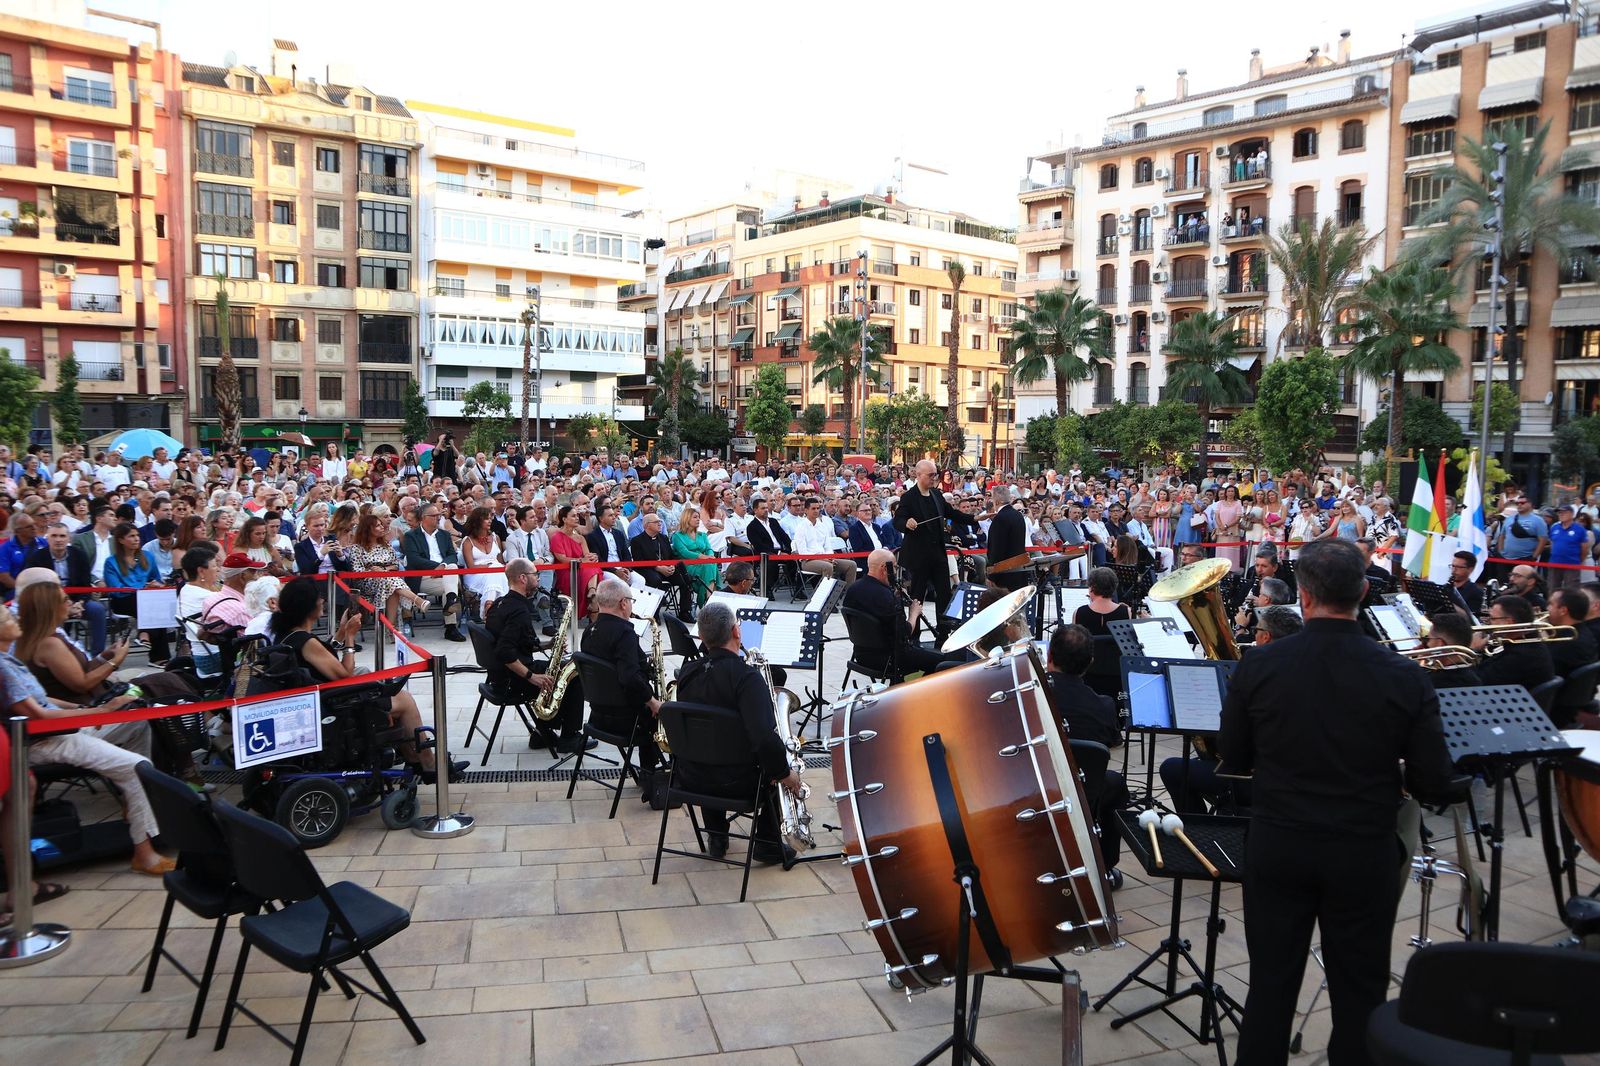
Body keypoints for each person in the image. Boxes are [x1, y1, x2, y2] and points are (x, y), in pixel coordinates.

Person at [1218, 539, 1457, 1066]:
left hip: (1280, 842)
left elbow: (1233, 756)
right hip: (1361, 846)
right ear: (1364, 592)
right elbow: (1434, 782)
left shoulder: (1259, 666)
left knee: (1271, 985)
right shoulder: (1405, 675)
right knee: (1359, 990)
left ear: (1301, 596)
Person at [0, 601, 172, 874]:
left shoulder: (10, 657)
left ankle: (136, 805)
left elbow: (42, 700)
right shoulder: (8, 664)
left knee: (137, 721)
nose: (16, 620)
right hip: (46, 740)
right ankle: (144, 851)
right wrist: (99, 710)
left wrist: (84, 710)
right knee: (134, 765)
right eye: (9, 618)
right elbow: (37, 715)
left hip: (61, 728)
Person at [269, 577, 464, 783]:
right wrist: (351, 638)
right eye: (319, 598)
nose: (323, 601)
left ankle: (416, 759)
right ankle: (429, 764)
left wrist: (342, 631)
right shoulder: (306, 641)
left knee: (388, 692)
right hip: (334, 705)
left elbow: (323, 659)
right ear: (308, 606)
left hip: (319, 700)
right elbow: (343, 674)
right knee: (404, 700)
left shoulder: (288, 636)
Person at [671, 601, 803, 863]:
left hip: (690, 777)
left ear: (701, 637)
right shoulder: (747, 678)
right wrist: (786, 775)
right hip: (738, 785)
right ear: (736, 632)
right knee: (780, 756)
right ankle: (766, 842)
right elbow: (764, 740)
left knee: (707, 747)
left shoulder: (687, 673)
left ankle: (716, 835)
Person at [1045, 622, 1127, 889]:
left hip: (1035, 787)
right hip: (1081, 793)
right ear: (1089, 663)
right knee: (1114, 784)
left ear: (1049, 656)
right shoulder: (1104, 706)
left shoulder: (1029, 696)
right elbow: (1113, 742)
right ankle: (1104, 865)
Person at [484, 559, 591, 754]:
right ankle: (569, 737)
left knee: (561, 669)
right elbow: (505, 652)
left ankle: (542, 733)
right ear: (523, 578)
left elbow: (513, 645)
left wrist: (547, 644)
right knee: (574, 676)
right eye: (535, 575)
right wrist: (532, 677)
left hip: (498, 676)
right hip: (514, 679)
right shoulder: (518, 611)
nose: (539, 578)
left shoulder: (501, 603)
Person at [580, 577, 663, 781]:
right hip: (628, 720)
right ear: (623, 603)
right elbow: (629, 678)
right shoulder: (625, 633)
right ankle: (652, 776)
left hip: (598, 716)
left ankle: (650, 773)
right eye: (631, 601)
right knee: (668, 715)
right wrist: (653, 703)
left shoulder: (589, 631)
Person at [840, 548, 963, 680]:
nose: (895, 572)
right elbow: (904, 633)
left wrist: (894, 598)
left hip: (862, 654)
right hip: (891, 658)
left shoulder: (854, 589)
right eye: (893, 567)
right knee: (945, 664)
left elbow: (876, 611)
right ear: (884, 568)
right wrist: (913, 614)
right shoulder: (884, 596)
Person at [893, 460, 978, 634]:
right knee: (917, 595)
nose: (934, 478)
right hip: (918, 555)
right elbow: (898, 520)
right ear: (918, 475)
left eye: (935, 475)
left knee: (944, 593)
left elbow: (952, 513)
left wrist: (975, 519)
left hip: (938, 553)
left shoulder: (937, 495)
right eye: (930, 475)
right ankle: (913, 633)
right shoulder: (909, 497)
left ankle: (943, 632)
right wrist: (907, 523)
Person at [103, 521, 170, 665]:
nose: (136, 539)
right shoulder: (111, 562)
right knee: (147, 602)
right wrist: (142, 587)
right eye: (131, 536)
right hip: (123, 600)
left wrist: (155, 584)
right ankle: (158, 655)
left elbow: (156, 578)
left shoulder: (147, 556)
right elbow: (116, 588)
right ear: (121, 540)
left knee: (156, 604)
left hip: (146, 599)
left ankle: (146, 635)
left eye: (137, 535)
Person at [349, 510, 431, 630]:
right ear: (368, 529)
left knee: (391, 586)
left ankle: (390, 628)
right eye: (378, 525)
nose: (382, 527)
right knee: (390, 581)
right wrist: (372, 572)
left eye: (381, 525)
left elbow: (395, 565)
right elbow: (356, 571)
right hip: (366, 582)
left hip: (386, 579)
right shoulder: (357, 548)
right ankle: (416, 600)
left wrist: (383, 569)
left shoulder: (386, 545)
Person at [400, 504, 464, 641]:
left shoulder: (444, 535)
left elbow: (452, 555)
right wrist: (438, 568)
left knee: (451, 571)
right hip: (422, 577)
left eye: (439, 515)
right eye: (434, 515)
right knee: (451, 578)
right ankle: (451, 622)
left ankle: (451, 620)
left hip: (444, 575)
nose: (438, 518)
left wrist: (443, 567)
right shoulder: (411, 536)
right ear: (424, 518)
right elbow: (413, 559)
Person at [792, 497, 857, 586]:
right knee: (828, 567)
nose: (816, 511)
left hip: (826, 558)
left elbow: (828, 546)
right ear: (806, 510)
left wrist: (830, 557)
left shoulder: (822, 526)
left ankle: (849, 594)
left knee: (851, 565)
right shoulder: (801, 527)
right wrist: (823, 559)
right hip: (808, 561)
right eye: (813, 509)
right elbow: (804, 553)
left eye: (818, 508)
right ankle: (825, 595)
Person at [1422, 609, 1486, 688]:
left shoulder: (1432, 682)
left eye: (1428, 639)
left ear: (1439, 644)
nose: (1427, 644)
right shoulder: (1475, 677)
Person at [745, 496, 794, 596]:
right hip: (765, 553)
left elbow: (785, 537)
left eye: (766, 508)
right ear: (755, 510)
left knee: (795, 560)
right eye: (763, 508)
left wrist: (792, 550)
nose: (766, 510)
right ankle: (767, 589)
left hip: (781, 551)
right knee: (771, 561)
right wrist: (779, 554)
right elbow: (759, 546)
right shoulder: (752, 527)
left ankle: (797, 588)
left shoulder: (774, 522)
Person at [985, 485, 1029, 593]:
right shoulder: (1017, 515)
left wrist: (992, 576)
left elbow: (997, 549)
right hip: (1018, 571)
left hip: (1004, 575)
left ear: (997, 501)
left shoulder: (1000, 518)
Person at [672, 506, 716, 607]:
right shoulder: (677, 536)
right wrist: (703, 557)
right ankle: (709, 600)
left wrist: (710, 556)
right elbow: (684, 552)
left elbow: (709, 549)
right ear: (687, 518)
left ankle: (706, 599)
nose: (698, 519)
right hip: (688, 565)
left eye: (698, 517)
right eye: (695, 517)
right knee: (710, 566)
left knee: (710, 564)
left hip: (705, 563)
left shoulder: (702, 535)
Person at [1072, 567, 1132, 636]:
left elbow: (1075, 644)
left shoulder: (1079, 612)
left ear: (1092, 588)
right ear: (1114, 587)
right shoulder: (1127, 612)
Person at [585, 502, 633, 578]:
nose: (614, 517)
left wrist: (626, 568)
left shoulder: (618, 534)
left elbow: (626, 553)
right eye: (610, 515)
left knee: (640, 580)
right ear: (601, 518)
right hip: (606, 570)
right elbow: (598, 559)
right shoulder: (593, 536)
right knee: (617, 581)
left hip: (622, 567)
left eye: (614, 515)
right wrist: (615, 571)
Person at [1447, 550, 1486, 618]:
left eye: (1459, 567)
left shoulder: (1476, 592)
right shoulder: (1446, 587)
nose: (1454, 570)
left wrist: (1447, 603)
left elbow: (1471, 618)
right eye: (1453, 566)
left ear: (1470, 569)